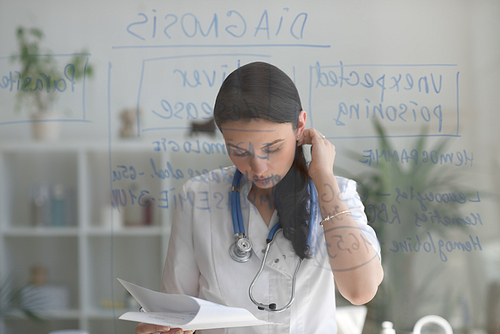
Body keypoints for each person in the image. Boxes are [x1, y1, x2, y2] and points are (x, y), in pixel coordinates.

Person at [136, 62, 384, 334]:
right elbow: (177, 311)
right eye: (238, 150)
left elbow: (361, 291)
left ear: (300, 126)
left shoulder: (336, 194)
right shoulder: (197, 197)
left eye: (273, 148)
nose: (258, 167)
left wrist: (323, 176)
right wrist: (162, 329)